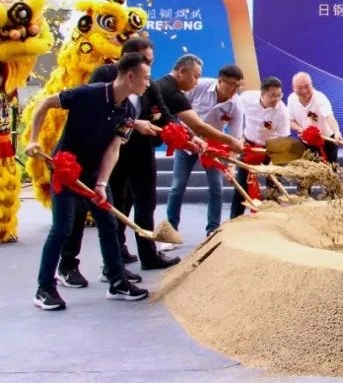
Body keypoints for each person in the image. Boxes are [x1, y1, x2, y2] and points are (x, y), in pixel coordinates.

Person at [27, 52, 153, 310]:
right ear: (130, 76)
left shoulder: (128, 111)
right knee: (62, 228)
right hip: (65, 168)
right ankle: (44, 289)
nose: (148, 84)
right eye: (146, 78)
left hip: (94, 173)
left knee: (108, 224)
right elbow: (45, 104)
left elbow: (114, 148)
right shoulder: (88, 94)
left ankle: (117, 282)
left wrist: (102, 183)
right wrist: (33, 139)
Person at [165, 65, 245, 238]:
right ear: (220, 81)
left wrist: (231, 166)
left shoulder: (236, 105)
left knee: (216, 187)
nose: (234, 89)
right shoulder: (199, 86)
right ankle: (170, 231)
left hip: (212, 147)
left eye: (238, 86)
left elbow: (234, 138)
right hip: (188, 140)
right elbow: (178, 110)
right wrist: (187, 136)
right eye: (231, 84)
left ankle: (212, 230)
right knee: (177, 185)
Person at [232, 77, 290, 217]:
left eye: (279, 95)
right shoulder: (246, 99)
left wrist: (274, 161)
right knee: (241, 184)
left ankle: (272, 218)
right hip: (250, 146)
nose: (276, 99)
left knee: (274, 185)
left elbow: (283, 139)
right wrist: (240, 137)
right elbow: (235, 114)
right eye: (272, 95)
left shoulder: (282, 111)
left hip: (272, 149)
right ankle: (235, 219)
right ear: (262, 94)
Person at [287, 72, 343, 164]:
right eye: (300, 88)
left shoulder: (320, 98)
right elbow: (290, 121)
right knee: (308, 170)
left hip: (326, 141)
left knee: (330, 170)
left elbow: (329, 117)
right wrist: (300, 129)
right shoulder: (291, 99)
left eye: (307, 86)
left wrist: (337, 132)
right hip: (306, 143)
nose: (304, 91)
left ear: (311, 84)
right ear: (294, 88)